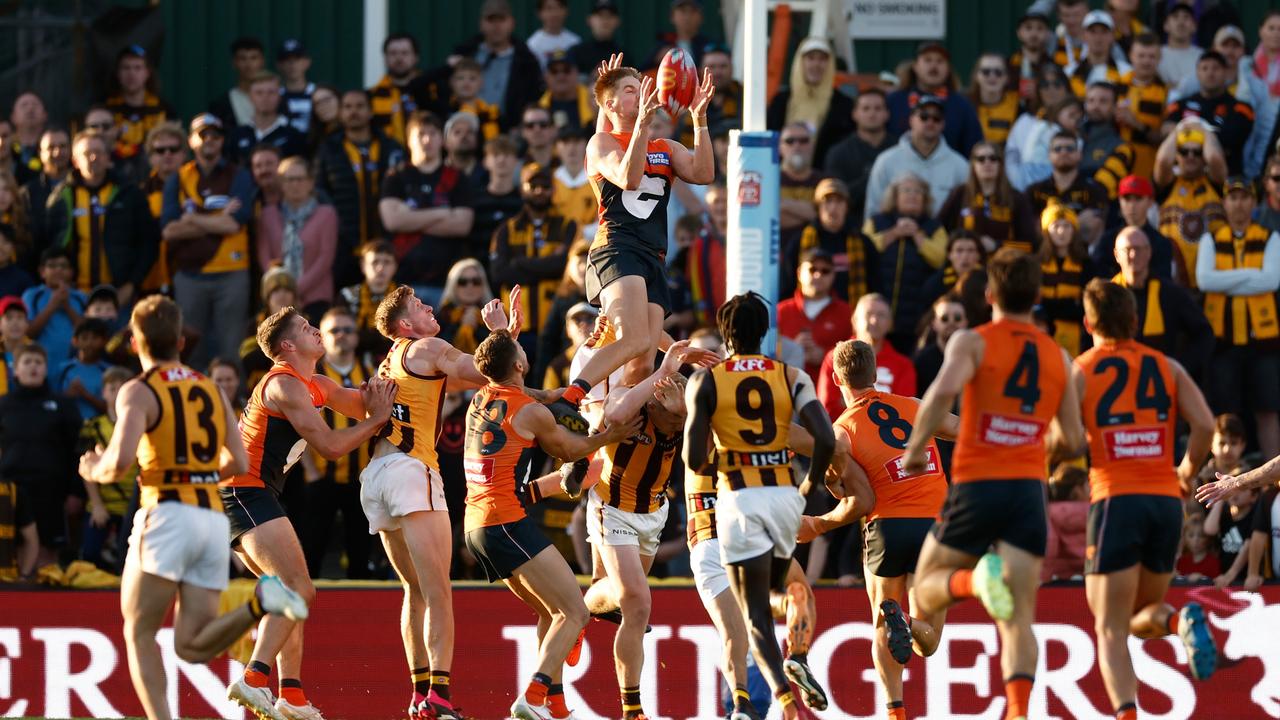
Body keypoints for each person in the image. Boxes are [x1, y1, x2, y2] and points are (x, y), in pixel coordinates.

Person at [77, 296, 308, 720]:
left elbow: (120, 462)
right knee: (190, 643)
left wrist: (93, 468)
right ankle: (261, 602)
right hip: (208, 520)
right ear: (181, 341)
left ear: (134, 343)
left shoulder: (139, 389)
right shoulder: (211, 389)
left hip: (165, 513)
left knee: (140, 631)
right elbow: (238, 463)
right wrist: (198, 469)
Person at [902, 248, 1085, 720]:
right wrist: (1035, 442)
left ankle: (976, 581)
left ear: (988, 295)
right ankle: (1020, 712)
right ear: (1038, 296)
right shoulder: (1058, 356)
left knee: (924, 591)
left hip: (978, 483)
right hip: (1028, 492)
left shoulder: (973, 341)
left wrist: (917, 450)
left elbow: (941, 393)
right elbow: (1073, 440)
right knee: (1020, 617)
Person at [221, 307, 396, 720]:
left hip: (254, 493)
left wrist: (390, 393)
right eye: (305, 328)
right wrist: (378, 420)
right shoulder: (283, 385)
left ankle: (292, 696)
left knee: (288, 594)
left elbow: (361, 407)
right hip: (244, 492)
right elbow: (333, 446)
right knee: (300, 589)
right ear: (286, 346)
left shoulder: (313, 382)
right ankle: (253, 678)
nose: (315, 330)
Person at [369, 285, 529, 719]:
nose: (429, 307)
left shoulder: (393, 360)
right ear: (405, 324)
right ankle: (437, 698)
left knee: (414, 590)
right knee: (440, 591)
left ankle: (419, 695)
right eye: (419, 306)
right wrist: (500, 333)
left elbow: (483, 375)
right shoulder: (428, 347)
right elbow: (486, 368)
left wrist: (505, 340)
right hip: (412, 470)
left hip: (377, 476)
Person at [460, 329, 633, 720]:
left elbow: (529, 393)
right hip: (505, 520)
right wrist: (610, 436)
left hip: (476, 525)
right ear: (519, 364)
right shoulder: (529, 411)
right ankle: (533, 696)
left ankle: (555, 705)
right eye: (521, 349)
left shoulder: (480, 398)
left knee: (550, 613)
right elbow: (569, 449)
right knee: (575, 612)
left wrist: (558, 393)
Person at [683, 292, 835, 720]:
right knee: (794, 592)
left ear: (726, 336)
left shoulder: (705, 383)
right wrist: (813, 481)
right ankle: (799, 655)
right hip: (784, 499)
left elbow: (694, 459)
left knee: (752, 620)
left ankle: (771, 703)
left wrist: (727, 449)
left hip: (736, 504)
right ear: (765, 332)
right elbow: (823, 438)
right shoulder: (791, 375)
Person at [1073, 279, 1219, 720]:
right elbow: (1206, 427)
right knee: (1140, 616)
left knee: (1108, 628)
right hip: (1164, 502)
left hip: (1115, 499)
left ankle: (1126, 715)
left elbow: (1062, 436)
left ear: (1087, 323)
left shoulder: (1081, 369)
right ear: (1135, 321)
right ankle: (1179, 622)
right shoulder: (1166, 366)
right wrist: (1186, 472)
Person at [799, 339, 953, 720]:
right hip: (935, 527)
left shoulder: (841, 433)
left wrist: (819, 522)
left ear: (836, 379)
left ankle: (894, 710)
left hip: (885, 526)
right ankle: (911, 622)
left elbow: (849, 495)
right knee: (928, 643)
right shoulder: (915, 407)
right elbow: (961, 430)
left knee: (881, 623)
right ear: (876, 372)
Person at [562, 57, 714, 406]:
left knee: (644, 359)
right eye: (632, 89)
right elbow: (629, 178)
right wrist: (642, 123)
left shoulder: (666, 147)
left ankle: (615, 419)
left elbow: (704, 173)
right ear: (611, 104)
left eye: (642, 86)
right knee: (633, 339)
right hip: (617, 246)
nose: (643, 92)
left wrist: (699, 118)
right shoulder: (601, 144)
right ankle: (571, 399)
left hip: (654, 254)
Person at [580, 343, 700, 720]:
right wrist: (662, 370)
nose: (677, 426)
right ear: (653, 401)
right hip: (612, 508)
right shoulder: (628, 403)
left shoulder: (684, 416)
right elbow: (611, 408)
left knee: (617, 599)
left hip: (653, 512)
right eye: (672, 418)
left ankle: (579, 609)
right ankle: (633, 710)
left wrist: (685, 414)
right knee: (638, 603)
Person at [160, 114, 256, 370]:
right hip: (190, 275)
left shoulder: (239, 175)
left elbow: (234, 224)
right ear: (191, 141)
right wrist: (218, 216)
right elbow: (169, 231)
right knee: (191, 349)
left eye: (215, 135)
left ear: (223, 140)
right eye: (203, 135)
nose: (209, 140)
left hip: (231, 274)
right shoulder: (178, 178)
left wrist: (192, 217)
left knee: (231, 350)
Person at [1196, 177, 1280, 461]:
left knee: (1267, 409)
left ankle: (1274, 483)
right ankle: (1220, 472)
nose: (1239, 203)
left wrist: (1228, 281)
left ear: (1254, 202)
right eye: (1233, 197)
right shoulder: (1210, 239)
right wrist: (1249, 275)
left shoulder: (1271, 237)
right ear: (1224, 202)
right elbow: (1205, 281)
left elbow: (1271, 280)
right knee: (1224, 412)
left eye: (1245, 197)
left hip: (1263, 341)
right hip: (1223, 341)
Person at [301, 307, 375, 580]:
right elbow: (300, 427)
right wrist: (311, 471)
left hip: (362, 478)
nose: (342, 335)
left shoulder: (371, 372)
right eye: (334, 330)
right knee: (312, 550)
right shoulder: (310, 375)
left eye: (348, 330)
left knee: (361, 552)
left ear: (357, 337)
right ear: (322, 336)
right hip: (321, 477)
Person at [44, 129, 157, 303]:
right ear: (75, 160)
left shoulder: (129, 193)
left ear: (108, 158)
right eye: (87, 153)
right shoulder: (60, 197)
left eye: (98, 152)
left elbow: (149, 241)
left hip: (118, 293)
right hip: (73, 294)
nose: (93, 158)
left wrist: (132, 284)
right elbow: (48, 244)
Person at [0, 342, 83, 576]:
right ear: (15, 369)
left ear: (46, 369)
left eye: (39, 362)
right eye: (27, 362)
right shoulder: (3, 405)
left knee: (47, 557)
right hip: (11, 490)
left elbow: (77, 451)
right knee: (10, 552)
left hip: (51, 492)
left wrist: (75, 492)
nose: (33, 367)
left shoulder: (63, 405)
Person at [379, 112, 475, 304]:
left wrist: (411, 219)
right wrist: (442, 213)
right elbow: (393, 221)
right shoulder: (395, 177)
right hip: (402, 282)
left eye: (433, 133)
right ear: (409, 140)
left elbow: (462, 225)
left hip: (446, 283)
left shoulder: (457, 178)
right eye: (420, 134)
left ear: (443, 140)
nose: (427, 139)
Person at [314, 89, 406, 289]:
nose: (353, 112)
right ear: (340, 112)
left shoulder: (391, 147)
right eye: (347, 107)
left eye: (359, 106)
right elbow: (319, 191)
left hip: (387, 246)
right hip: (344, 246)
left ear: (370, 111)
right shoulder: (328, 149)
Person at [489, 163, 576, 361]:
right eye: (532, 185)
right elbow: (499, 273)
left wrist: (519, 262)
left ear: (553, 189)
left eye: (545, 186)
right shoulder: (506, 230)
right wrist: (546, 266)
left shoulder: (567, 225)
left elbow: (564, 267)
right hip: (519, 325)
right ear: (522, 188)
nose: (539, 191)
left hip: (557, 322)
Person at [1109, 225, 1214, 382]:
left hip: (1161, 381)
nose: (1133, 255)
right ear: (1117, 255)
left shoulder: (1170, 293)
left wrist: (1180, 368)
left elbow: (1204, 334)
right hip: (1118, 379)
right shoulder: (1108, 295)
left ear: (1149, 252)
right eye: (1127, 250)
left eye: (1138, 249)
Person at [864, 173, 948, 351]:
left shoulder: (934, 227)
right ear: (895, 196)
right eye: (907, 191)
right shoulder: (877, 222)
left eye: (918, 192)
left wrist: (917, 236)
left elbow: (941, 258)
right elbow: (865, 249)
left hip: (916, 318)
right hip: (876, 315)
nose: (912, 195)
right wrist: (894, 233)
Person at [816, 293, 917, 421]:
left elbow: (905, 411)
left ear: (890, 323)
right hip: (845, 434)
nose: (874, 320)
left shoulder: (903, 365)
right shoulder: (835, 358)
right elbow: (827, 408)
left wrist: (851, 402)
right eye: (869, 314)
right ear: (854, 320)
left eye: (881, 315)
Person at [256, 156, 338, 315]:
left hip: (316, 296)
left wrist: (294, 289)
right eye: (289, 179)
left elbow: (325, 259)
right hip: (277, 297)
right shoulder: (267, 215)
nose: (295, 184)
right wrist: (281, 287)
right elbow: (264, 256)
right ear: (281, 183)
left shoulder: (326, 214)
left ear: (310, 182)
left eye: (300, 179)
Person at [864, 96, 968, 218]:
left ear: (943, 124)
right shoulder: (886, 160)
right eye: (924, 117)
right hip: (894, 234)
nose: (930, 122)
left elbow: (966, 212)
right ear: (911, 120)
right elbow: (872, 211)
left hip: (943, 236)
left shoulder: (960, 165)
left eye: (937, 118)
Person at [451, 0, 546, 131]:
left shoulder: (527, 62)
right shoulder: (465, 55)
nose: (496, 26)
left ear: (512, 23)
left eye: (501, 20)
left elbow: (533, 99)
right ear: (481, 24)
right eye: (491, 20)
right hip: (467, 129)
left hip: (508, 133)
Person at [1154, 119, 1226, 284]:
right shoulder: (1168, 183)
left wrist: (1204, 130)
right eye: (1184, 151)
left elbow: (1215, 158)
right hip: (1174, 273)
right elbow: (1163, 160)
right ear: (1176, 155)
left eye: (1197, 152)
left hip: (1213, 271)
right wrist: (1178, 130)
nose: (1190, 156)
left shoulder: (1215, 183)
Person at [937, 142, 1040, 255]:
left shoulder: (1017, 198)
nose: (987, 163)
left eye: (993, 158)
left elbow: (1031, 245)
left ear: (1001, 164)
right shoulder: (960, 194)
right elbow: (939, 229)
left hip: (1003, 266)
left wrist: (998, 245)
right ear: (973, 165)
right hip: (966, 266)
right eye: (981, 159)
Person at [766, 37, 854, 167]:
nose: (816, 65)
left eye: (822, 59)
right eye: (811, 58)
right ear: (799, 62)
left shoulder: (843, 104)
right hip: (782, 177)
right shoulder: (781, 100)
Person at [78, 364, 134, 570]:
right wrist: (97, 505)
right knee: (91, 556)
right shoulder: (92, 425)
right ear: (103, 393)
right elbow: (86, 467)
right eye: (112, 389)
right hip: (102, 504)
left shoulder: (143, 424)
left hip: (132, 505)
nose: (118, 393)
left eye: (123, 388)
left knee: (128, 562)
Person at [1164, 51, 1253, 176]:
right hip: (1184, 178)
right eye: (1204, 68)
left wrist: (1191, 129)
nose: (1210, 73)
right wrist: (1210, 132)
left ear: (1226, 72)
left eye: (1216, 68)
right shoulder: (1180, 104)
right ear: (1197, 72)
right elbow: (1166, 129)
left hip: (1227, 179)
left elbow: (1231, 140)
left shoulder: (1241, 108)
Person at [886, 42, 984, 156]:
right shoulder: (893, 101)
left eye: (940, 61)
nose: (934, 66)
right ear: (915, 67)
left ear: (948, 68)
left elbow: (975, 149)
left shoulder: (962, 106)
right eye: (928, 60)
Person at [823, 88, 896, 227]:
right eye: (866, 108)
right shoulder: (838, 152)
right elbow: (835, 196)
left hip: (895, 227)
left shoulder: (900, 149)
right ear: (854, 114)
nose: (872, 114)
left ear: (887, 114)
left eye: (878, 108)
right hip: (851, 229)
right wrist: (873, 177)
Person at [777, 248, 852, 383]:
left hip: (829, 395)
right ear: (799, 273)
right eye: (812, 269)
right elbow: (765, 354)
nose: (818, 275)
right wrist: (792, 350)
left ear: (833, 275)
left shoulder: (847, 313)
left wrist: (826, 355)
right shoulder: (780, 311)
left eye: (825, 271)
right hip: (786, 392)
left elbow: (856, 354)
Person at [796, 178, 874, 304]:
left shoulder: (863, 243)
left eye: (839, 202)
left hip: (853, 315)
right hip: (810, 315)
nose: (833, 208)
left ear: (847, 207)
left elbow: (875, 284)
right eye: (827, 201)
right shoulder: (801, 241)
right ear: (818, 207)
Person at [1092, 175, 1181, 282]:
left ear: (1150, 202)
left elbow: (1163, 283)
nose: (1132, 206)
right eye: (1127, 199)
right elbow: (1098, 279)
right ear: (1119, 201)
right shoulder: (1106, 241)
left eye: (1138, 199)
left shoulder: (1161, 243)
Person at [103, 46, 173, 180]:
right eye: (126, 68)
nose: (131, 74)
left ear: (147, 72)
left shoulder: (163, 109)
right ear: (118, 73)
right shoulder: (106, 109)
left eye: (137, 68)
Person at [1039, 202, 1094, 357]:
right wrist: (1069, 304)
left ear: (1074, 230)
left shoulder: (1086, 264)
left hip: (1079, 337)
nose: (1061, 231)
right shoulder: (1037, 263)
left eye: (1067, 226)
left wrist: (1049, 306)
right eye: (1056, 226)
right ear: (1046, 231)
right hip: (1043, 332)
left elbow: (1086, 306)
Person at [1005, 64, 1072, 190]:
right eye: (1045, 85)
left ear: (1067, 87)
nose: (1051, 90)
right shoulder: (1025, 121)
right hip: (1022, 190)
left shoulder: (1077, 120)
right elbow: (1011, 157)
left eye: (1057, 84)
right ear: (1038, 90)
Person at [23, 247, 87, 363]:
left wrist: (67, 307)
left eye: (63, 266)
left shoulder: (81, 297)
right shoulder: (32, 296)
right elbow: (27, 333)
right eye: (52, 266)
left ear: (71, 272)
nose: (58, 270)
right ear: (42, 271)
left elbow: (88, 333)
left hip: (73, 366)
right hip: (40, 364)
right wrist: (52, 306)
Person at [368, 33, 434, 146]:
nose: (399, 58)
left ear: (416, 57)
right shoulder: (371, 96)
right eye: (393, 53)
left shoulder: (433, 90)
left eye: (405, 53)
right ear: (385, 58)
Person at [1117, 32, 1167, 179]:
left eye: (1151, 56)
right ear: (1131, 56)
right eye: (1141, 56)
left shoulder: (1167, 93)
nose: (1146, 61)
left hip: (1147, 170)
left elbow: (1164, 137)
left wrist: (1137, 125)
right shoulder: (1116, 85)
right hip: (1116, 165)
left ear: (1159, 59)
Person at [229, 71, 307, 163]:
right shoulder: (237, 135)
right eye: (259, 93)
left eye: (271, 92)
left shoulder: (294, 136)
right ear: (250, 96)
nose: (265, 97)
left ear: (279, 96)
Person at [339, 240, 398, 362]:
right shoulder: (347, 296)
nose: (380, 268)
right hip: (355, 361)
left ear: (395, 266)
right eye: (374, 262)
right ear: (363, 266)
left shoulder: (405, 298)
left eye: (387, 262)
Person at [469, 135, 525, 260]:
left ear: (516, 161)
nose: (501, 159)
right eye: (495, 155)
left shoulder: (524, 201)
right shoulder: (474, 200)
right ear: (485, 162)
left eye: (506, 155)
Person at [778, 122, 825, 267]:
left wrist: (783, 204)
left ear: (812, 144)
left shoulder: (824, 181)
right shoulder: (769, 180)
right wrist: (809, 214)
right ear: (780, 147)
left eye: (803, 140)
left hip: (817, 262)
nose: (797, 146)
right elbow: (770, 217)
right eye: (790, 141)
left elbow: (826, 217)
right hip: (778, 258)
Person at [21, 127, 71, 243]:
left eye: (63, 146)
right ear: (40, 153)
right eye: (51, 147)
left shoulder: (84, 186)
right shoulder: (27, 193)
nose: (58, 152)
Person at [1067, 11, 1132, 98]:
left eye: (1104, 31)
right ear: (1083, 35)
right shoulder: (1069, 72)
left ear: (1113, 36)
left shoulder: (1127, 72)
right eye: (1092, 31)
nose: (1098, 37)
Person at [913, 294, 968, 393]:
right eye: (944, 318)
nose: (951, 323)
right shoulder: (921, 361)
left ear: (966, 322)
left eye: (957, 318)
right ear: (934, 324)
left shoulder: (975, 358)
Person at [208, 37, 266, 129]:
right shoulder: (222, 104)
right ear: (234, 63)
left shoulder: (277, 99)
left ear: (262, 61)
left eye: (254, 58)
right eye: (243, 59)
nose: (248, 64)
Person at [551, 126, 596, 241]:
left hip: (590, 245)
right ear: (556, 147)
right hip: (555, 245)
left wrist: (583, 232)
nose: (571, 147)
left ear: (586, 144)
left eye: (576, 142)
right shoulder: (549, 180)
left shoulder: (598, 179)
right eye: (565, 142)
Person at [969, 53, 1021, 149]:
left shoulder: (1019, 105)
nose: (992, 76)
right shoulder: (965, 105)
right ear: (976, 76)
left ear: (1007, 78)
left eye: (998, 72)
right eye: (986, 72)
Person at [1008, 10, 1055, 102]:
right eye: (1028, 28)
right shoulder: (1007, 65)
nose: (1034, 34)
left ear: (1048, 34)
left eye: (1040, 28)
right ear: (1019, 32)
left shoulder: (1055, 67)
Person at [275, 39, 315, 135]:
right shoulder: (274, 96)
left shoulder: (318, 93)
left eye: (297, 59)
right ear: (279, 65)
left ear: (307, 62)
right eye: (287, 60)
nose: (292, 64)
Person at [8, 92, 47, 185]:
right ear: (13, 116)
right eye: (24, 105)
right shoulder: (4, 150)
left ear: (45, 115)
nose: (30, 109)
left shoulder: (55, 149)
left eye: (35, 104)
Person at [1159, 2, 1202, 87]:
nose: (1181, 22)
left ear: (1194, 27)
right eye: (1175, 16)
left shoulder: (1203, 56)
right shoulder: (1155, 54)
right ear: (1166, 25)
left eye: (1186, 17)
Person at [304, 84, 340, 156]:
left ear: (339, 99)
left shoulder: (354, 131)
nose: (323, 106)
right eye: (317, 103)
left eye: (326, 100)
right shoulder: (314, 140)